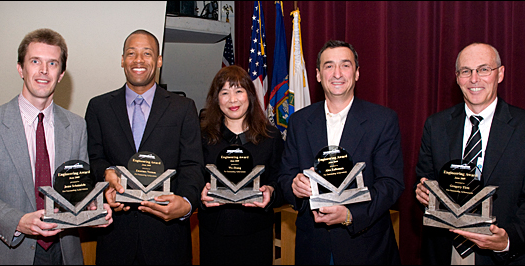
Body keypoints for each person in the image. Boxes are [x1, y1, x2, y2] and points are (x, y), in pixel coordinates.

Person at [0, 28, 113, 265]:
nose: (43, 70)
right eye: (35, 61)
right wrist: (18, 221)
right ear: (21, 68)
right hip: (10, 251)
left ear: (61, 74)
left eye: (52, 63)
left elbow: (77, 189)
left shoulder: (76, 126)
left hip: (65, 253)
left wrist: (94, 207)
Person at [414, 42, 525, 264]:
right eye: (465, 71)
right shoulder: (436, 125)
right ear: (457, 77)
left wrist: (507, 239)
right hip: (445, 251)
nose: (474, 79)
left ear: (500, 74)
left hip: (501, 255)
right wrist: (422, 192)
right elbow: (425, 178)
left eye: (483, 69)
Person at [278, 40, 404, 265]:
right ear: (317, 75)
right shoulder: (299, 121)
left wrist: (350, 215)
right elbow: (285, 177)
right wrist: (295, 187)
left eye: (345, 65)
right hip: (312, 248)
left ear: (356, 73)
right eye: (329, 66)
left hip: (365, 247)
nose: (337, 73)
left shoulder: (382, 120)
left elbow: (390, 184)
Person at [85, 29, 204, 264]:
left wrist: (187, 204)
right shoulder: (99, 107)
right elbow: (93, 158)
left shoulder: (183, 108)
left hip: (167, 238)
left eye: (147, 53)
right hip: (115, 237)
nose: (138, 60)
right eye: (131, 53)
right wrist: (105, 173)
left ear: (159, 61)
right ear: (122, 60)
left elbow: (192, 164)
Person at [198, 65, 285, 265]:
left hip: (257, 233)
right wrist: (200, 193)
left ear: (250, 95)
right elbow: (192, 178)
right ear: (216, 99)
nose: (233, 100)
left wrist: (271, 191)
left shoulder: (271, 137)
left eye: (239, 91)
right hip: (214, 233)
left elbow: (282, 182)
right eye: (225, 93)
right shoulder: (202, 137)